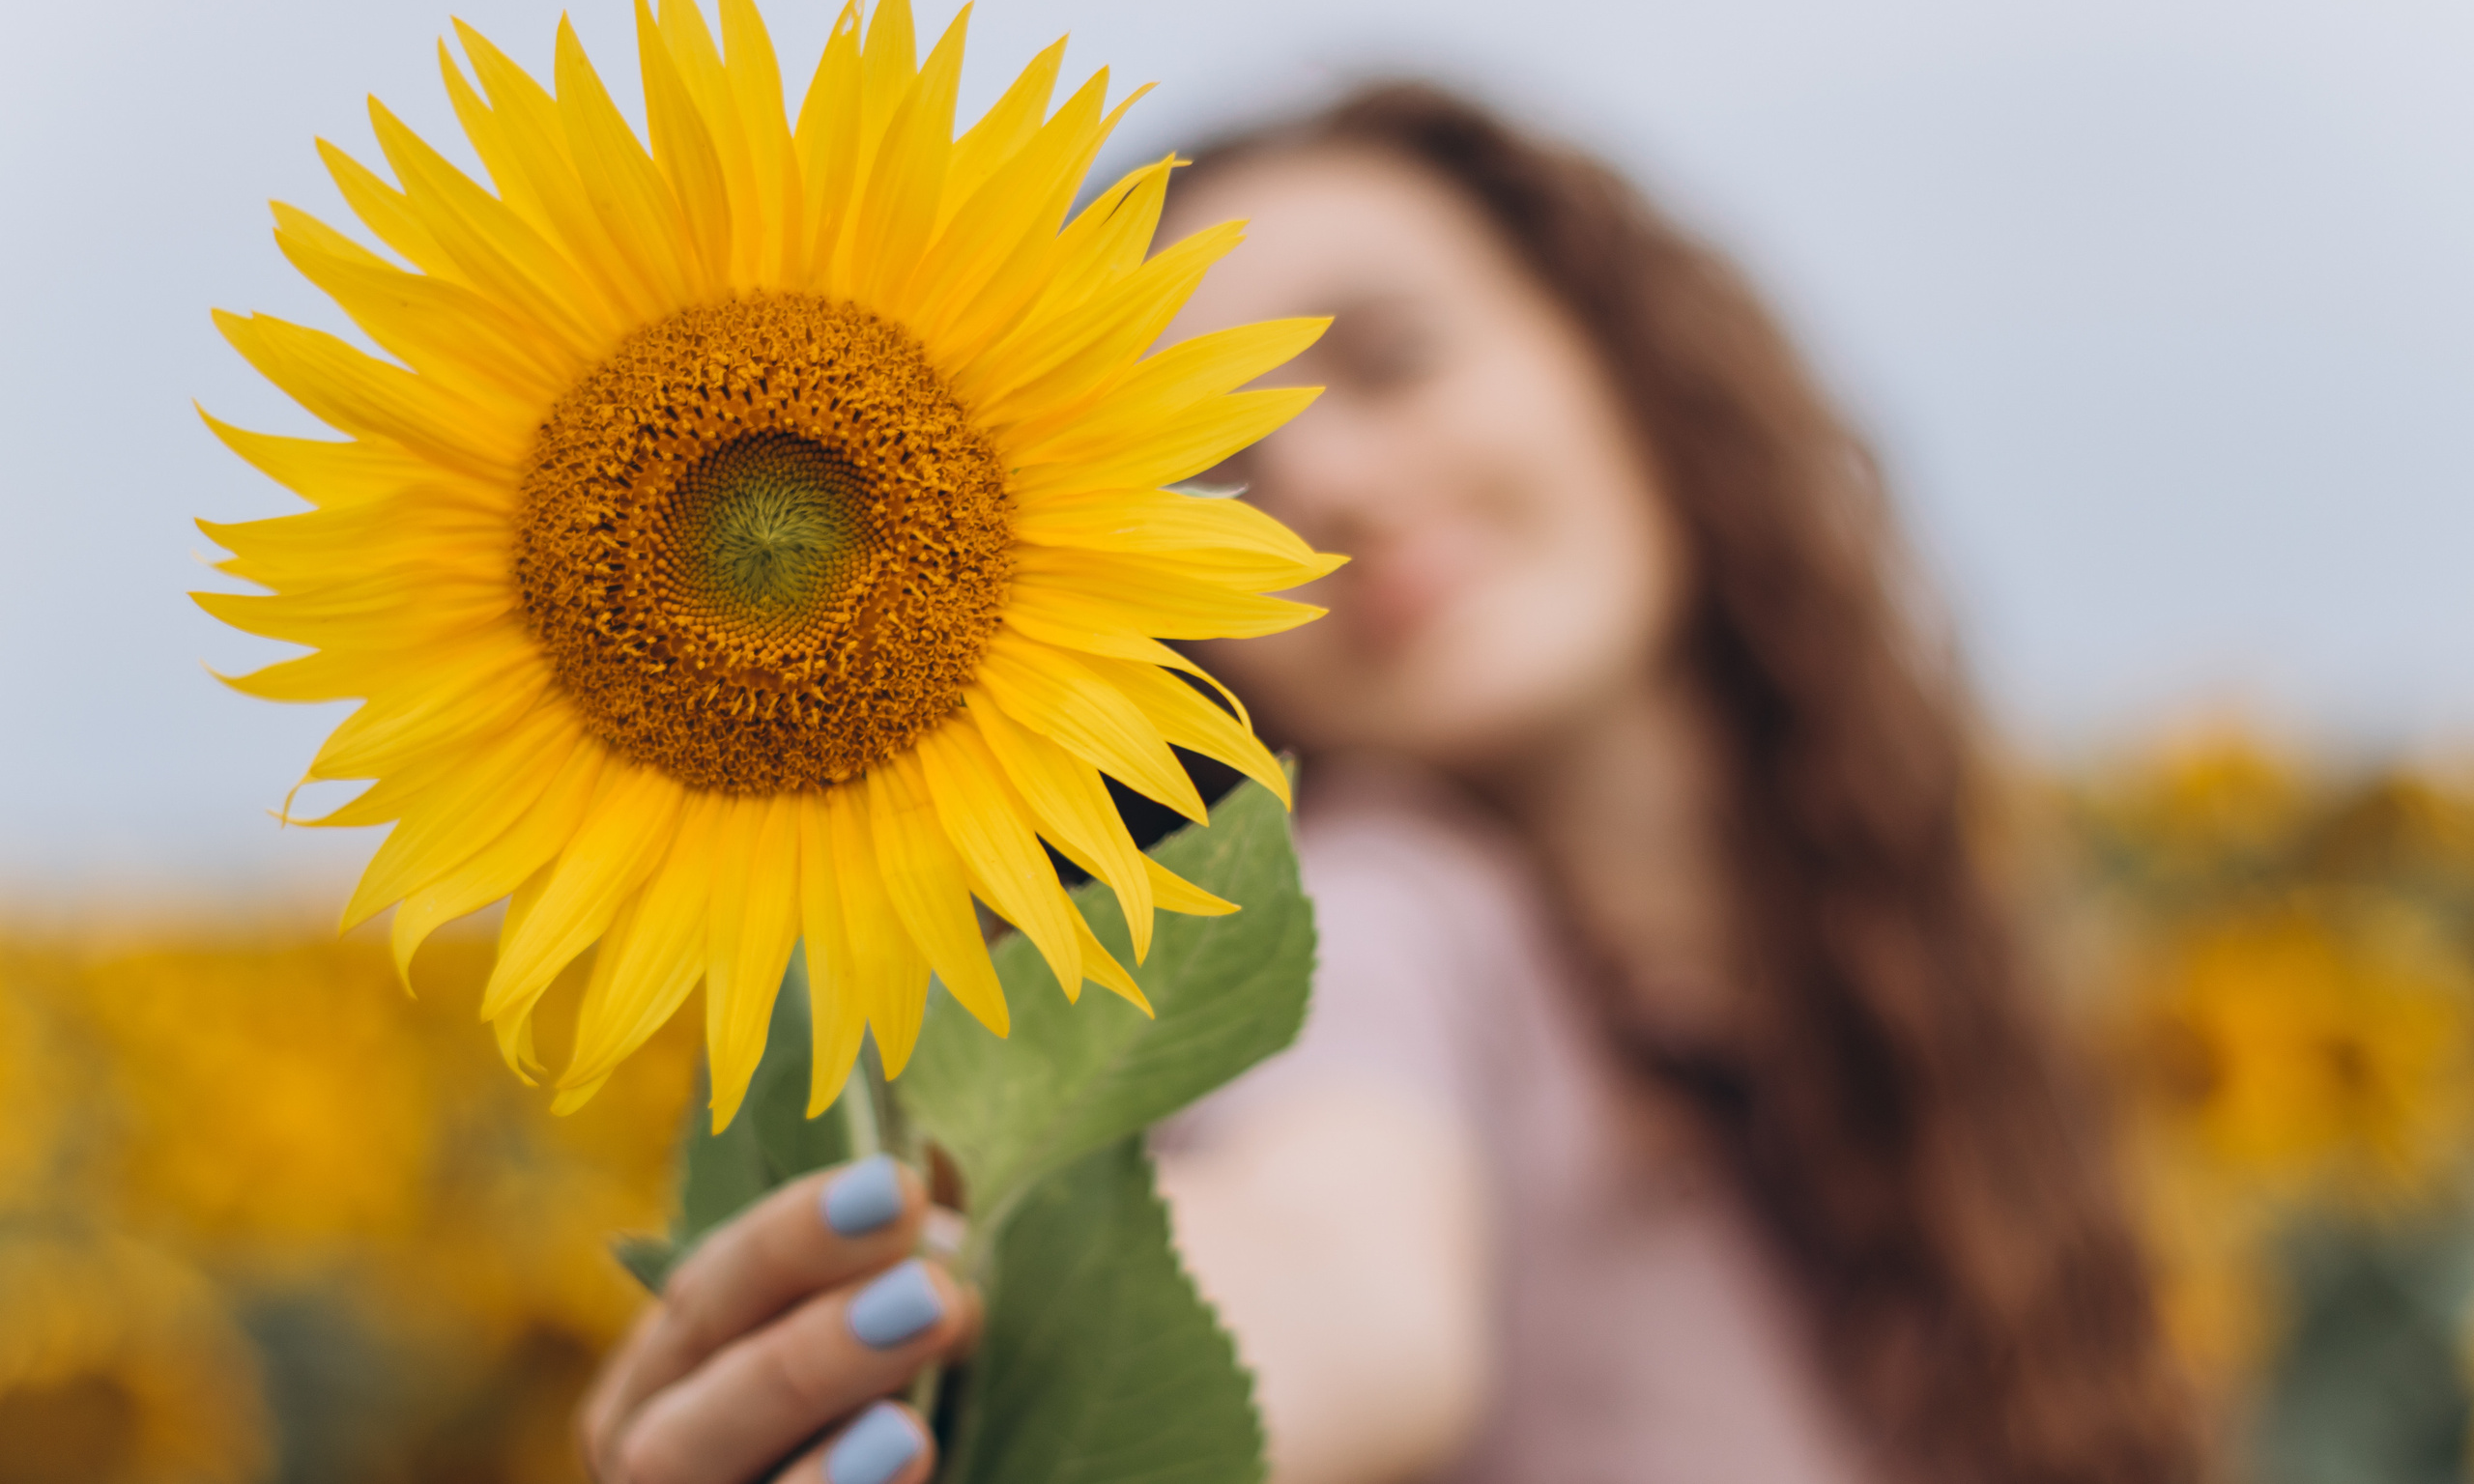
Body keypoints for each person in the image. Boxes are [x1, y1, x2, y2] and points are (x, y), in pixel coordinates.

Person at [577, 84, 2200, 1484]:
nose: (1325, 478)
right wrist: (1019, 1389)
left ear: (1635, 370)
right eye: (1218, 463)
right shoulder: (1377, 917)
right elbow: (1332, 1269)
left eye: (1393, 358)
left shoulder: (1918, 1038)